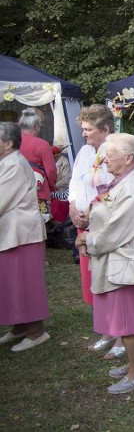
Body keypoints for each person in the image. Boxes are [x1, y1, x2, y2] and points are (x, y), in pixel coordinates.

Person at [75, 133, 134, 394]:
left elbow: (117, 230)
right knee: (122, 319)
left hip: (128, 262)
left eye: (110, 154)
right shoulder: (125, 180)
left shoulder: (133, 186)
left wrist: (87, 240)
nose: (105, 159)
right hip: (122, 260)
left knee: (128, 322)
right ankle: (133, 363)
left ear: (128, 158)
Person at [67, 104, 124, 357]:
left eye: (88, 129)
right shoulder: (84, 152)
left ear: (105, 129)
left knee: (114, 280)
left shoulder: (117, 153)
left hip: (105, 226)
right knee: (94, 281)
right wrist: (72, 207)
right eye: (83, 129)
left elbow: (117, 188)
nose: (84, 134)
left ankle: (123, 336)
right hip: (84, 226)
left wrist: (93, 209)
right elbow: (76, 183)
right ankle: (106, 331)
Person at [0, 123, 51, 352]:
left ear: (8, 144)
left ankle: (36, 331)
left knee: (24, 282)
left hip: (21, 232)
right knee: (11, 281)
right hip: (12, 232)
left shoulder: (13, 165)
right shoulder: (8, 162)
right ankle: (18, 326)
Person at [18, 108, 57, 212]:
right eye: (41, 127)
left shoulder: (12, 143)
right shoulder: (43, 144)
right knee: (40, 226)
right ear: (35, 126)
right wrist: (52, 187)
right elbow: (51, 170)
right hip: (39, 192)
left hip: (16, 193)